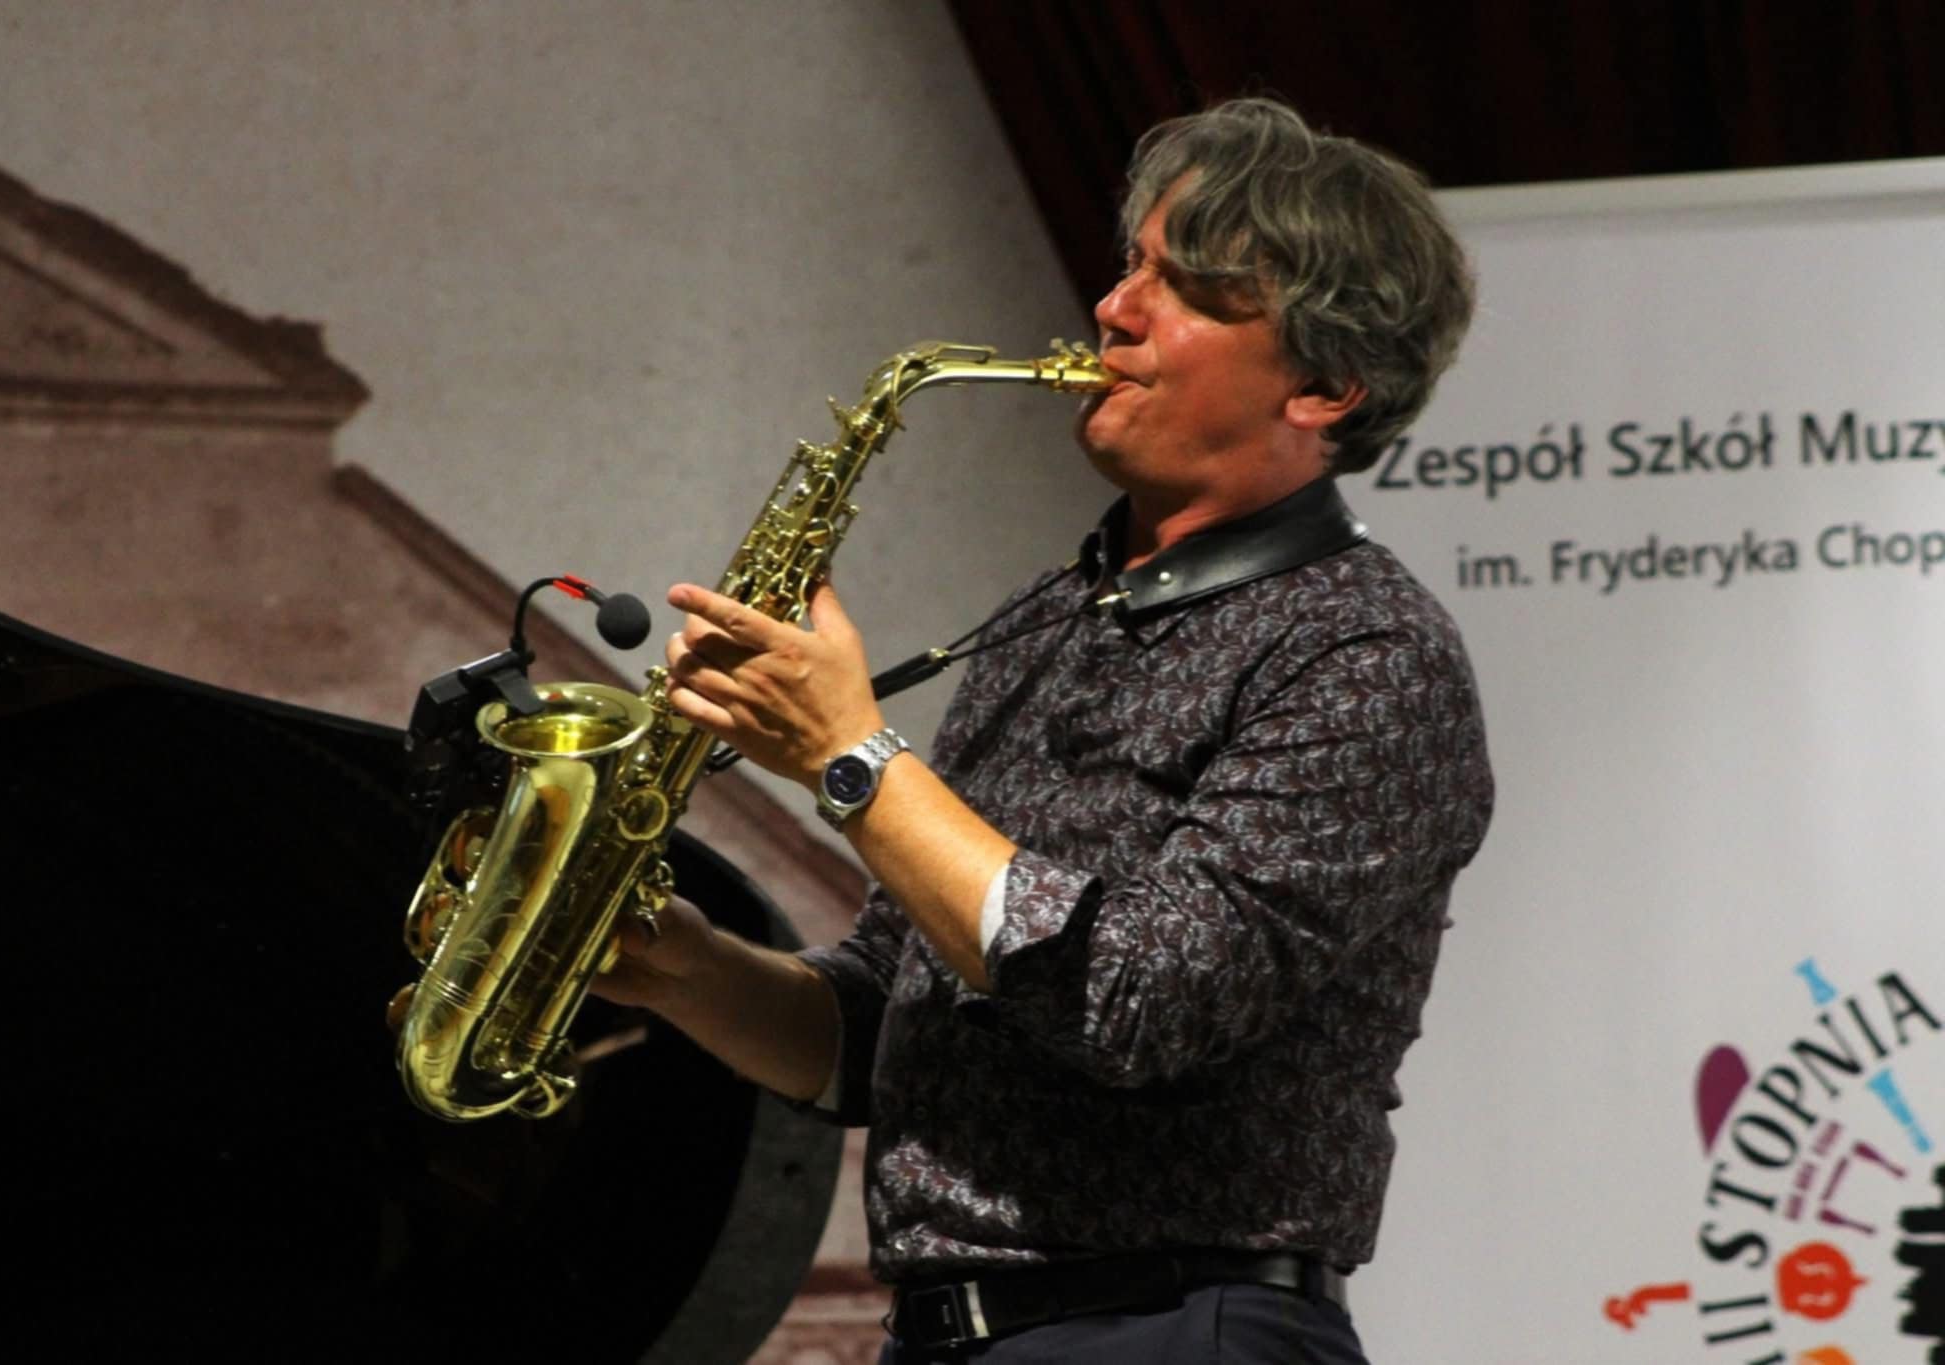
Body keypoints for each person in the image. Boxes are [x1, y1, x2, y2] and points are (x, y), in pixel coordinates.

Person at [591, 95, 1494, 1364]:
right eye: (1130, 266)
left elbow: (1137, 999)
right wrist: (685, 969)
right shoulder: (1052, 615)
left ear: (1323, 386)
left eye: (1186, 289)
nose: (1114, 309)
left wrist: (852, 758)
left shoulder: (1362, 653)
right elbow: (884, 1031)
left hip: (1173, 1327)